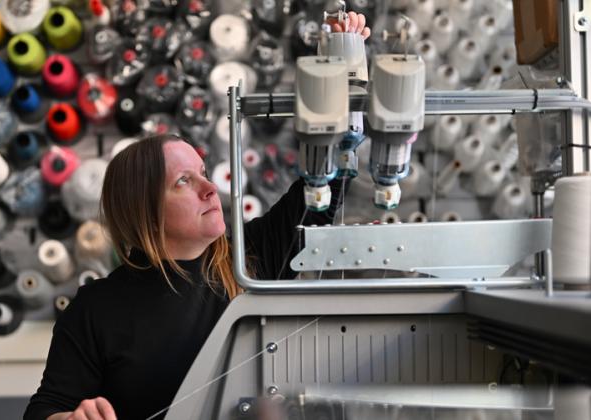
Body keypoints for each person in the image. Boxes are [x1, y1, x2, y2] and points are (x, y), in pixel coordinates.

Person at [25, 13, 370, 420]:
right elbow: (44, 411)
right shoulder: (96, 310)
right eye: (184, 182)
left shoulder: (251, 258)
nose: (210, 190)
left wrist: (345, 67)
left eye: (204, 174)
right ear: (145, 210)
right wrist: (71, 419)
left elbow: (325, 181)